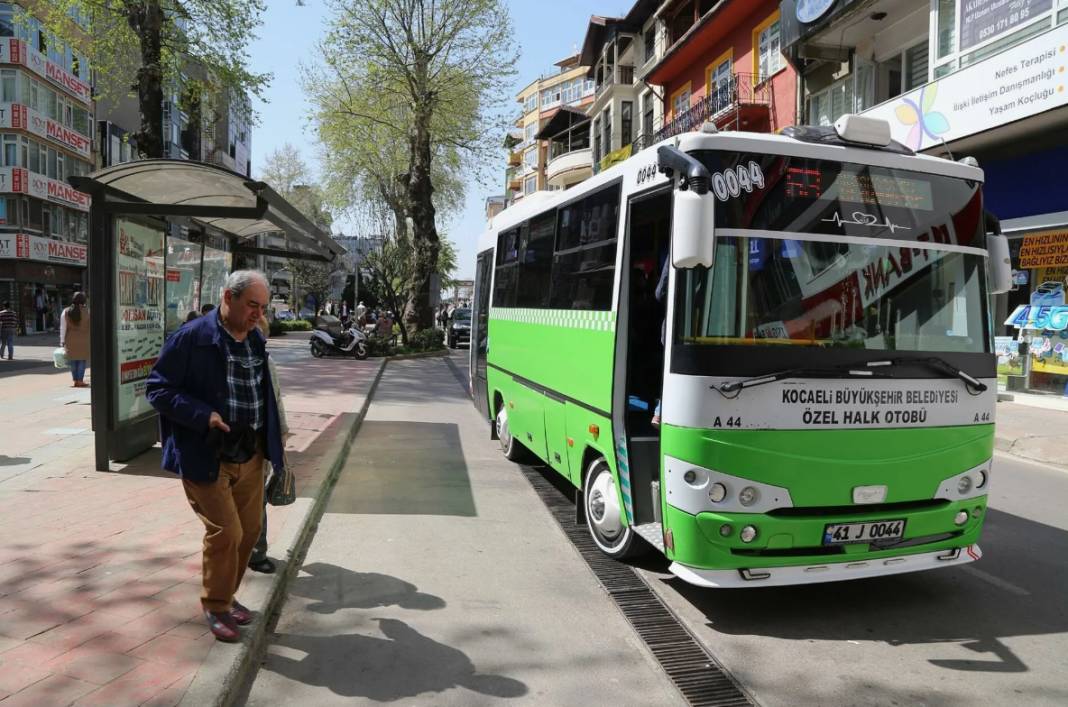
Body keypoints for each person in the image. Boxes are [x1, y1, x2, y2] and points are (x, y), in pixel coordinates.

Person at [146, 270, 285, 643]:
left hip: (250, 451)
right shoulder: (191, 339)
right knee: (227, 531)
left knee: (250, 532)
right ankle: (216, 605)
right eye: (251, 305)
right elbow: (157, 389)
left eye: (262, 307)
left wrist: (276, 444)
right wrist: (202, 414)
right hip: (205, 453)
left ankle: (227, 594)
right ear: (228, 297)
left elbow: (263, 392)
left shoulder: (255, 339)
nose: (258, 314)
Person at [60, 293, 90, 388]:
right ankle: (80, 380)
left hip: (70, 339)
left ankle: (75, 380)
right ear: (84, 301)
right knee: (81, 360)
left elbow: (63, 328)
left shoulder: (66, 311)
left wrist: (62, 341)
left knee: (73, 360)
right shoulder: (87, 311)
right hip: (84, 340)